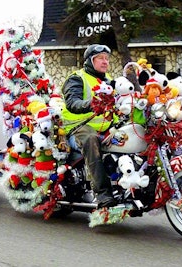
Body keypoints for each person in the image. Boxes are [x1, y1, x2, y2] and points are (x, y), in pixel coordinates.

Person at [61, 44, 117, 208]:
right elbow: (72, 102)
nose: (105, 62)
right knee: (91, 139)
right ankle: (103, 194)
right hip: (77, 127)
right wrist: (93, 103)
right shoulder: (77, 78)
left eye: (107, 58)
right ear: (90, 61)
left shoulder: (110, 80)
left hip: (105, 127)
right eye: (100, 58)